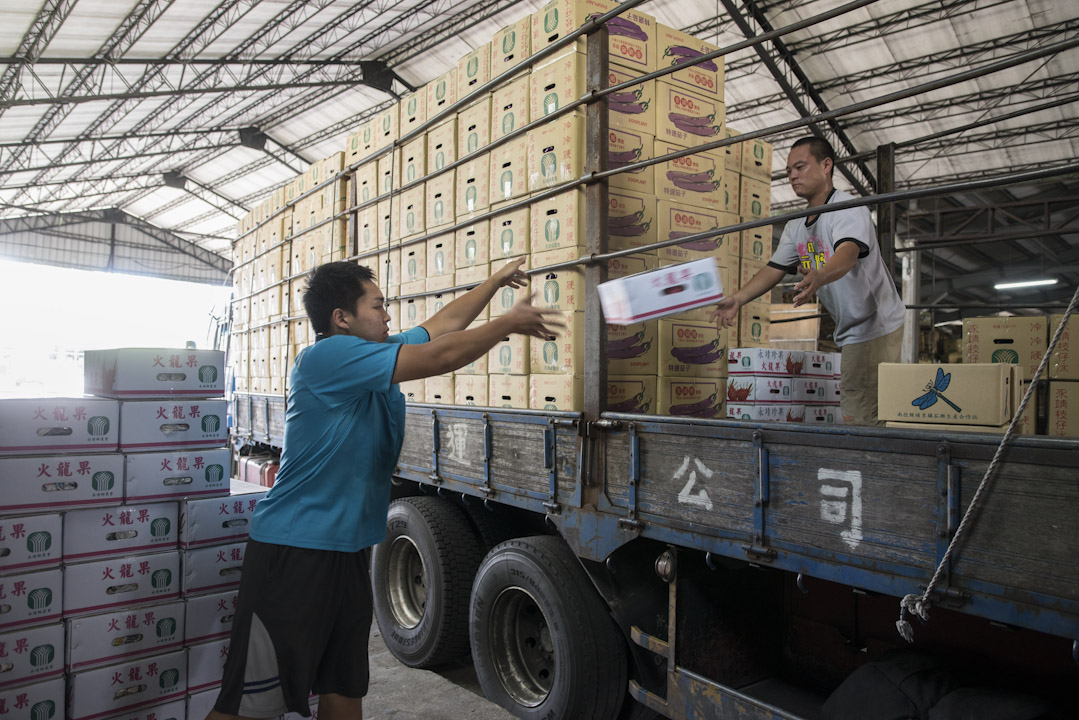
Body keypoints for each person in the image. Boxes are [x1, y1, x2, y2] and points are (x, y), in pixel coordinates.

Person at [209, 258, 560, 720]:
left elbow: (439, 328)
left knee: (344, 686)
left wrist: (492, 284)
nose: (388, 315)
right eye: (378, 306)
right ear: (342, 318)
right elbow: (441, 356)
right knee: (249, 706)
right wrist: (507, 324)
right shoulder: (326, 357)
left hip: (349, 550)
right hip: (295, 551)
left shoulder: (373, 355)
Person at [711, 136, 905, 425]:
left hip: (875, 324)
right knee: (861, 405)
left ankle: (868, 467)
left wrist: (821, 274)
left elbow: (848, 252)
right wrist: (737, 299)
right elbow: (774, 269)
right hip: (853, 326)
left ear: (826, 165)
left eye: (800, 167)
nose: (792, 176)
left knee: (859, 407)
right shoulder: (796, 226)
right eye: (789, 171)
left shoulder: (848, 208)